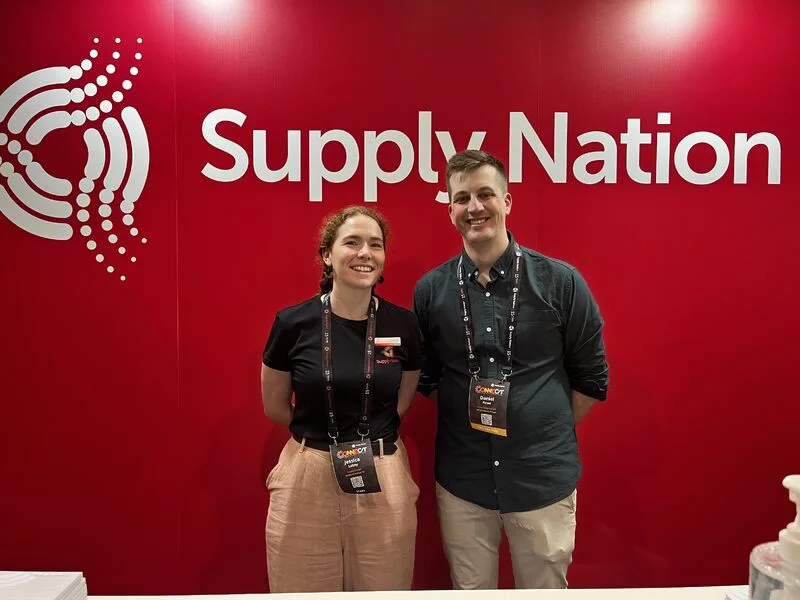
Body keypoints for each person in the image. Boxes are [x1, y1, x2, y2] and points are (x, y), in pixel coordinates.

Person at [413, 150, 609, 590]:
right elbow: (426, 377)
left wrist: (538, 424)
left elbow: (591, 381)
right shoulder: (430, 290)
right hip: (464, 481)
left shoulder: (560, 282)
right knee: (471, 593)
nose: (475, 207)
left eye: (485, 194)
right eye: (462, 198)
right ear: (450, 210)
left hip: (541, 476)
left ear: (507, 200)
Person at [261, 206, 421, 592]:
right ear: (327, 255)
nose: (365, 253)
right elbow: (275, 406)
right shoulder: (292, 323)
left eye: (375, 245)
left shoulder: (403, 325)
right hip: (307, 474)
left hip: (381, 470)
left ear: (383, 259)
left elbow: (403, 396)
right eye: (352, 242)